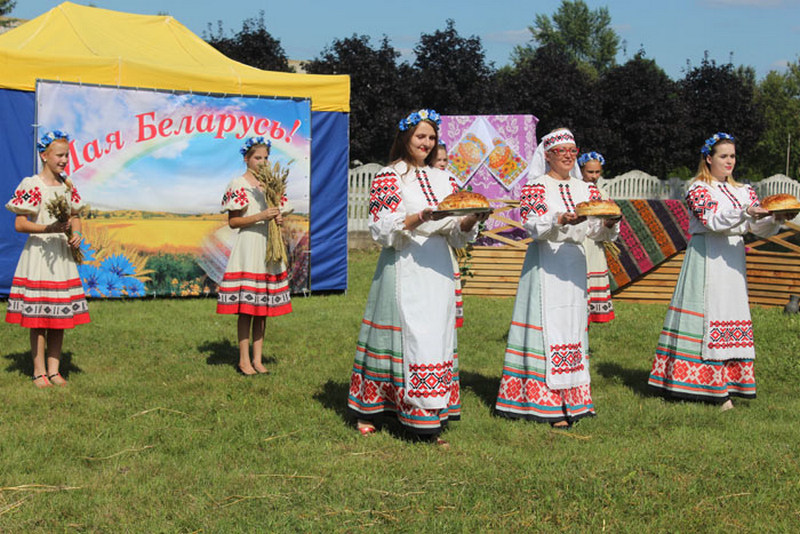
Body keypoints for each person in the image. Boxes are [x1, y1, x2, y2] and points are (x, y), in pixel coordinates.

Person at [347, 109, 487, 445]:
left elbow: (456, 231)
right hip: (404, 262)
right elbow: (382, 228)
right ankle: (374, 410)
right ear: (405, 137)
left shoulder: (446, 179)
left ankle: (428, 412)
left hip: (438, 266)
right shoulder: (388, 176)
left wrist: (471, 219)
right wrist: (420, 215)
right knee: (401, 337)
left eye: (431, 137)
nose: (426, 143)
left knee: (432, 337)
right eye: (420, 136)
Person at [648, 133, 790, 411]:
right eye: (723, 156)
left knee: (731, 313)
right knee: (709, 315)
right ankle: (706, 386)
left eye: (732, 156)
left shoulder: (744, 190)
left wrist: (775, 219)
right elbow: (712, 220)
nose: (729, 161)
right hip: (708, 256)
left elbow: (754, 227)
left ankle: (730, 383)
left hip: (733, 259)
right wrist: (746, 213)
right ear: (709, 158)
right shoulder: (698, 189)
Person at [495, 129, 619, 427]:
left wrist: (610, 223)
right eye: (560, 150)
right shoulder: (535, 187)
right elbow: (533, 226)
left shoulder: (586, 190)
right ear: (547, 155)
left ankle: (574, 399)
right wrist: (560, 219)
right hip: (546, 262)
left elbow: (595, 232)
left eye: (572, 150)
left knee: (573, 326)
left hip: (575, 263)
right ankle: (541, 400)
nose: (567, 155)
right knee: (546, 325)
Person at [5, 130, 90, 388]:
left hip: (61, 257)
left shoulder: (67, 185)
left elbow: (75, 215)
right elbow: (20, 224)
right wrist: (49, 229)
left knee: (59, 315)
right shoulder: (32, 185)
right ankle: (38, 371)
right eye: (59, 155)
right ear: (45, 156)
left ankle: (54, 370)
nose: (64, 160)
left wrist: (76, 234)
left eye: (67, 155)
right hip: (41, 256)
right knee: (39, 318)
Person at [216, 137, 292, 376]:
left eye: (266, 158)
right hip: (250, 245)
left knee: (263, 307)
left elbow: (279, 210)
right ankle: (243, 359)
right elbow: (233, 221)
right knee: (247, 308)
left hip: (269, 245)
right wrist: (261, 216)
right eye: (257, 157)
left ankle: (258, 359)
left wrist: (278, 218)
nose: (262, 162)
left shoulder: (272, 184)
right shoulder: (239, 184)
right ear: (246, 159)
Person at [578, 151, 615, 323]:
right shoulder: (576, 190)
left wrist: (609, 223)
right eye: (590, 172)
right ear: (581, 170)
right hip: (580, 241)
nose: (594, 176)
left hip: (595, 245)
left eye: (597, 172)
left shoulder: (603, 194)